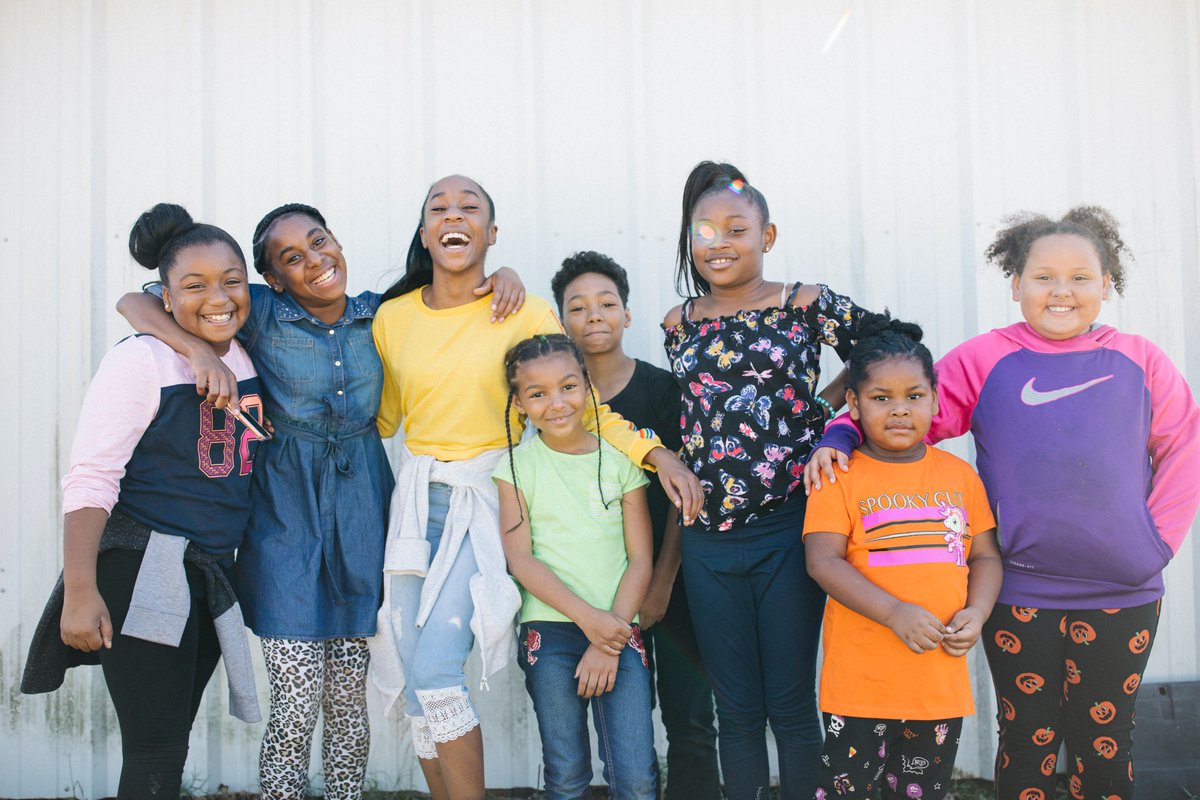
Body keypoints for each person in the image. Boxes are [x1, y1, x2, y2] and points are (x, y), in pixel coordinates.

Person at [115, 202, 524, 800]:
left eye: (319, 241)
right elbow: (138, 301)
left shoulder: (381, 315)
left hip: (363, 507)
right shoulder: (261, 314)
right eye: (292, 259)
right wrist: (197, 350)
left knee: (346, 697)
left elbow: (452, 293)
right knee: (297, 695)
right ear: (274, 279)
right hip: (284, 515)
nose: (315, 260)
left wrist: (504, 274)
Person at [805, 207, 1200, 800]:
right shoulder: (985, 358)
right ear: (1015, 285)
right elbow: (902, 416)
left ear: (1106, 284)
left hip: (1123, 589)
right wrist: (837, 434)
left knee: (1107, 742)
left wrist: (1156, 544)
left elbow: (1184, 448)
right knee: (1027, 739)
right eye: (1042, 276)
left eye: (1080, 277)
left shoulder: (1140, 359)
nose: (1060, 291)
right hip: (1022, 592)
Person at [368, 174, 701, 800]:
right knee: (416, 680)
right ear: (423, 234)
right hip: (416, 507)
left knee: (437, 671)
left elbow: (589, 408)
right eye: (438, 208)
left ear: (493, 234)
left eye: (470, 207)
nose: (453, 215)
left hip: (486, 498)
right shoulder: (391, 318)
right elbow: (380, 421)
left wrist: (661, 458)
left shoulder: (521, 309)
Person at [21, 203, 264, 798]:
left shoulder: (243, 345)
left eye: (232, 280)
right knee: (155, 749)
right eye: (194, 285)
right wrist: (80, 590)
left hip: (209, 572)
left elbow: (143, 301)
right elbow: (91, 477)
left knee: (171, 739)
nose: (218, 296)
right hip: (145, 565)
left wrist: (201, 348)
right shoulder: (140, 360)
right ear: (166, 292)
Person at [661, 161, 869, 799]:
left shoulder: (802, 303)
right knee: (737, 710)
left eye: (736, 229)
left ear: (767, 236)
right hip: (708, 541)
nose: (719, 243)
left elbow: (886, 346)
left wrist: (824, 410)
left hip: (787, 530)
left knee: (789, 704)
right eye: (705, 231)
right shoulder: (679, 322)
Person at [802, 312, 1002, 800]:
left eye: (914, 396)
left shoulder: (959, 475)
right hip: (861, 686)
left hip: (936, 683)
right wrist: (893, 611)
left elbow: (986, 559)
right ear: (853, 403)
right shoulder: (838, 474)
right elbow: (821, 561)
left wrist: (977, 613)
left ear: (935, 398)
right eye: (880, 398)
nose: (899, 410)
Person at [551, 251, 720, 800]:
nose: (594, 315)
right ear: (560, 322)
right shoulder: (552, 403)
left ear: (627, 315)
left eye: (607, 304)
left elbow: (682, 494)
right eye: (577, 307)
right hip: (591, 590)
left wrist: (664, 582)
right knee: (615, 725)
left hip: (671, 585)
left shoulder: (663, 390)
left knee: (689, 717)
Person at [494, 333, 657, 800]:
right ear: (520, 404)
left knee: (636, 776)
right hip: (551, 631)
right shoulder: (516, 467)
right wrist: (592, 624)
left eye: (568, 386)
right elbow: (520, 559)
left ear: (588, 386)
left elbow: (640, 559)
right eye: (537, 393)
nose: (556, 403)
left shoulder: (622, 462)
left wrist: (609, 640)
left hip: (620, 628)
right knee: (565, 774)